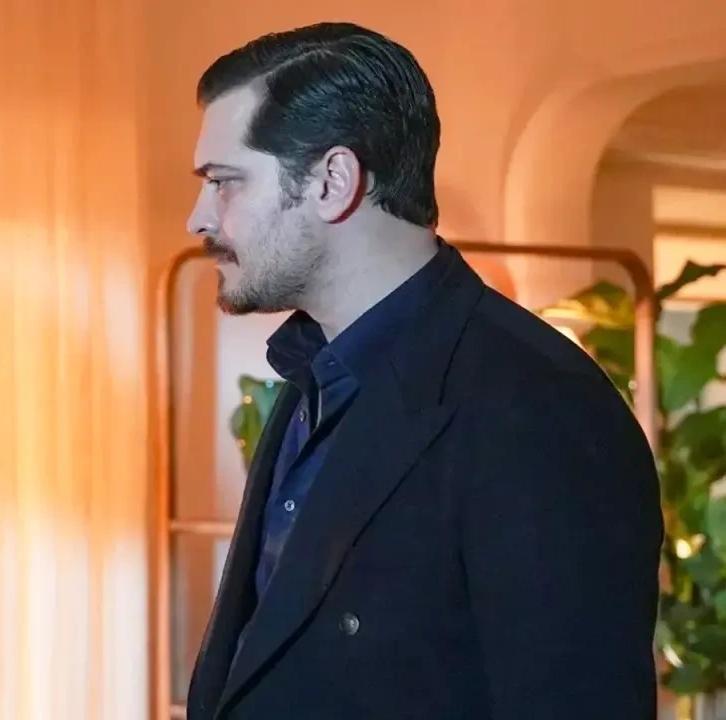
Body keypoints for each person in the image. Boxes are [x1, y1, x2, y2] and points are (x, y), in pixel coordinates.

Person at [184, 22, 662, 720]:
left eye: (224, 183)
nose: (198, 218)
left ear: (332, 182)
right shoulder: (311, 381)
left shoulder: (539, 410)